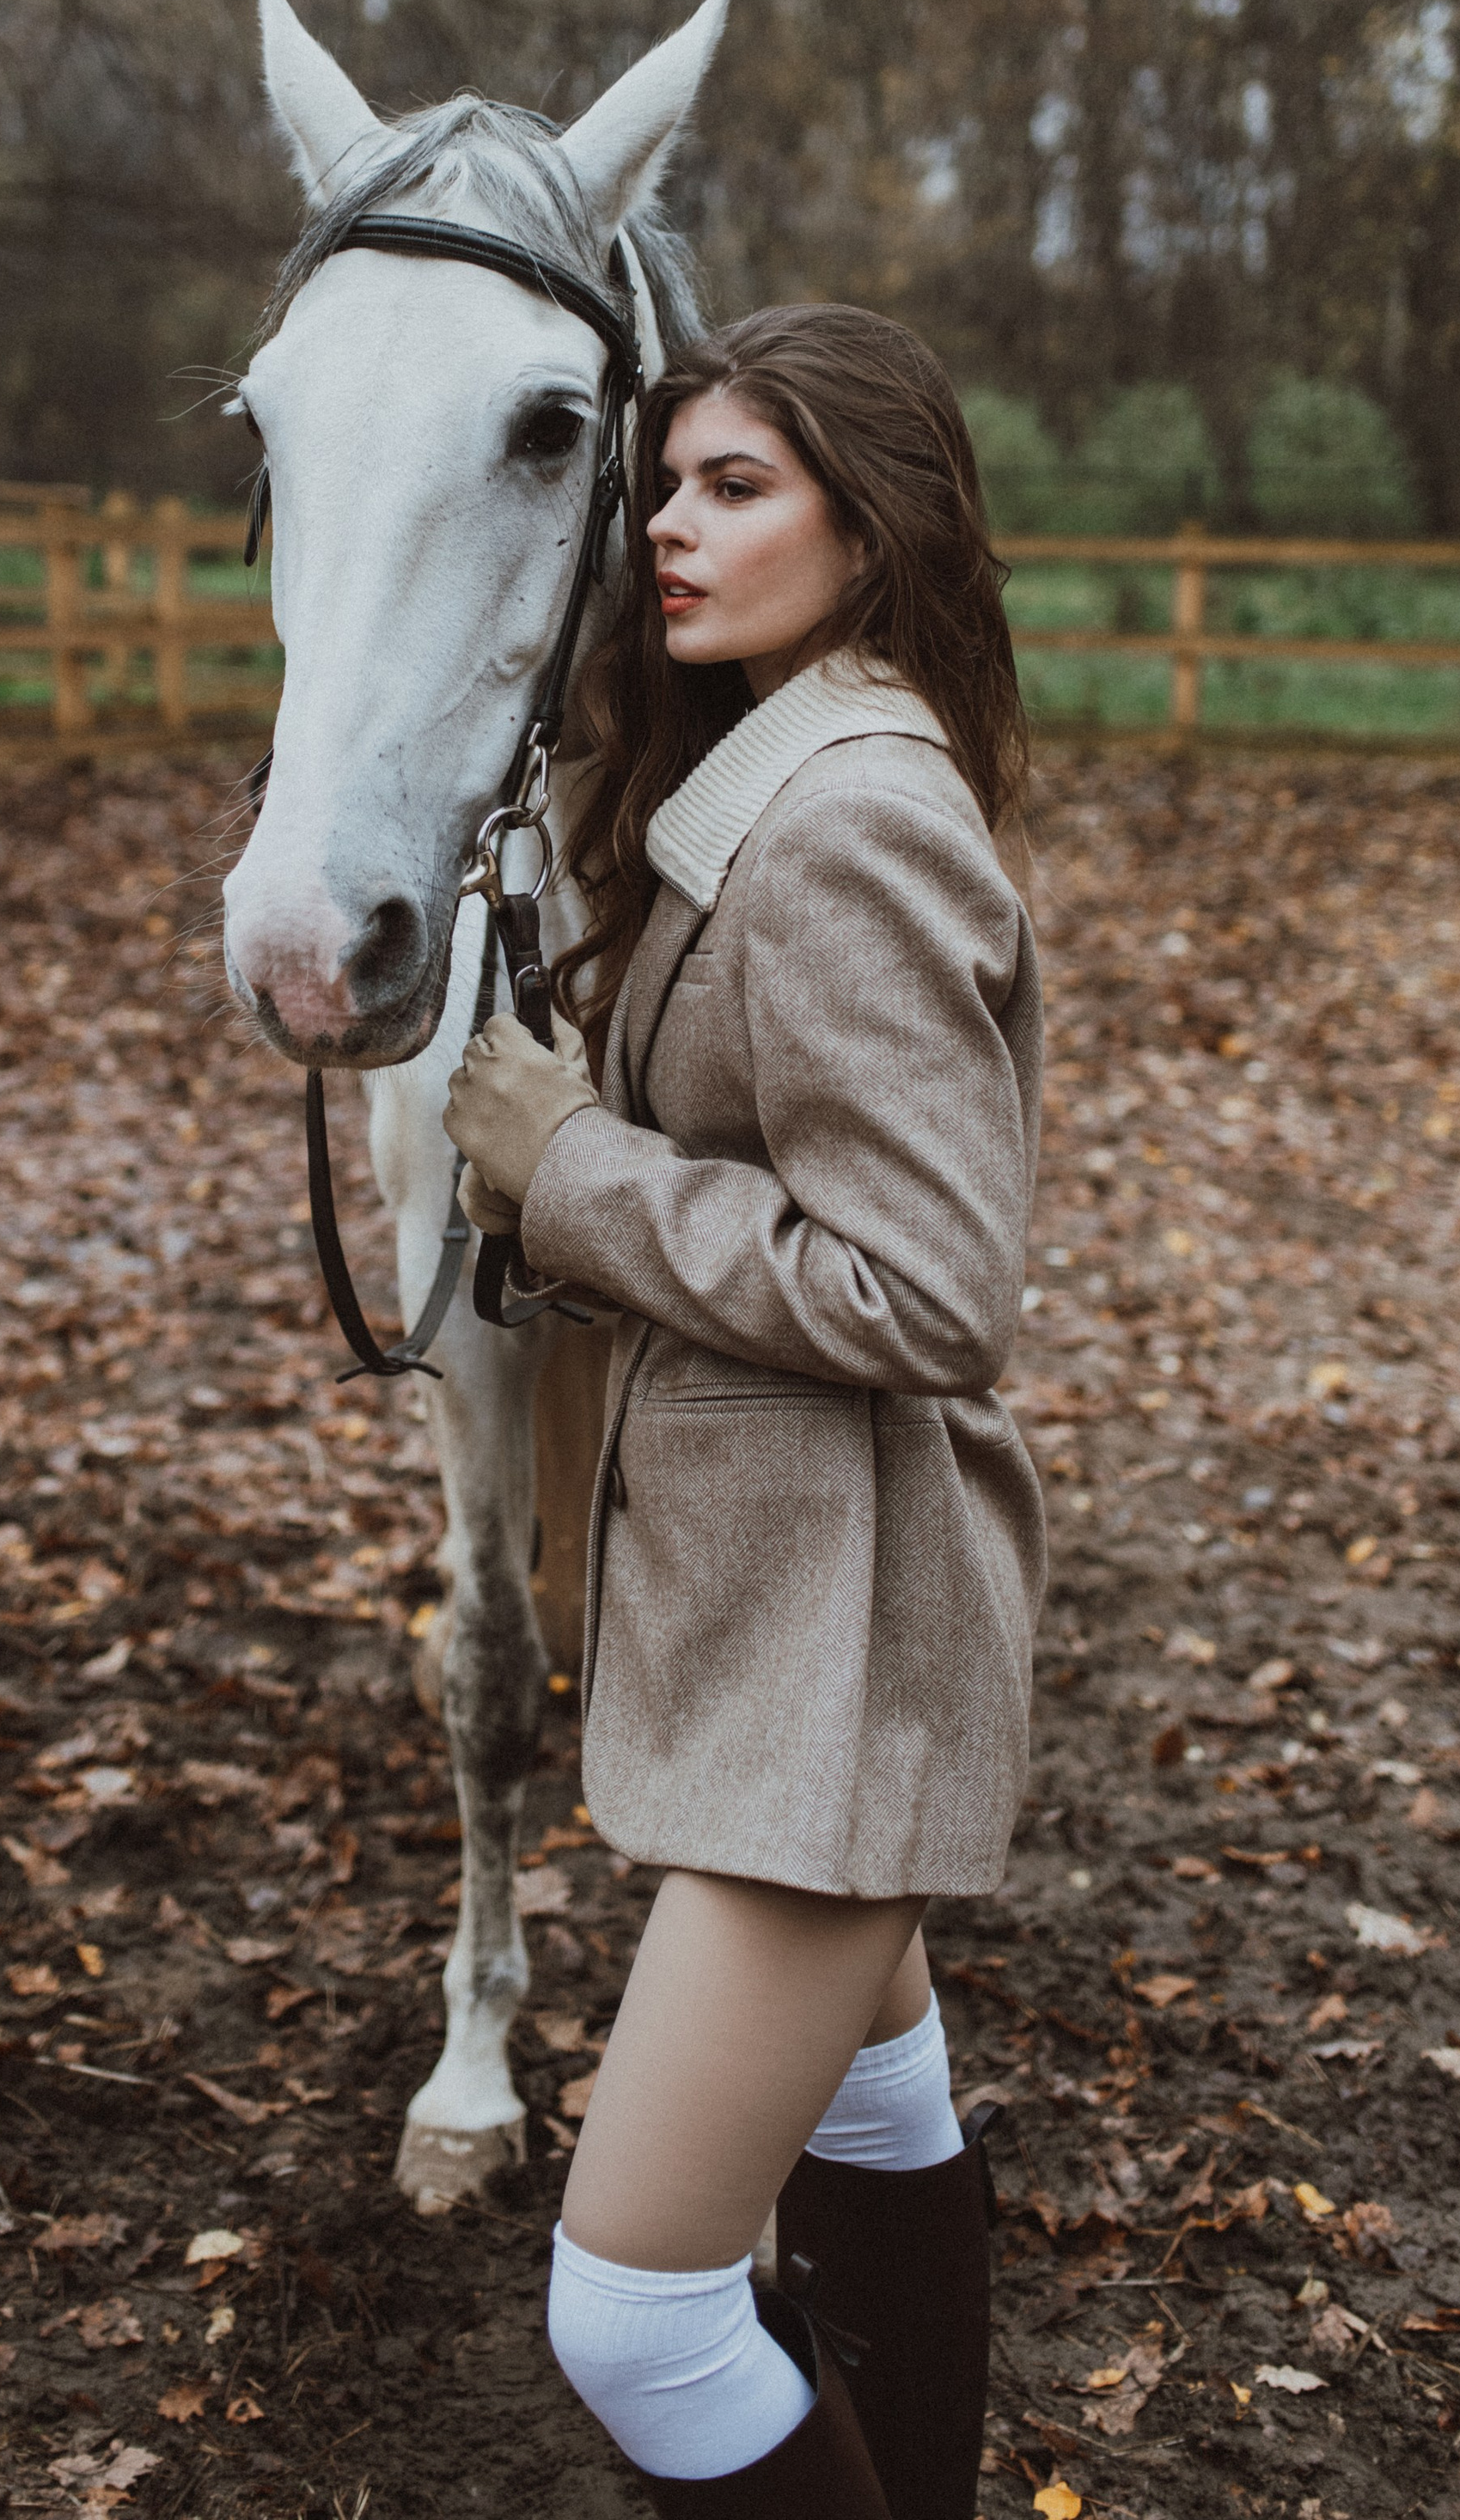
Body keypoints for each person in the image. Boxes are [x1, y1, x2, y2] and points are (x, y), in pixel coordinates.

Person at [442, 304, 1047, 2518]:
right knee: (884, 2116)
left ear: (870, 531)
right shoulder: (776, 775)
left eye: (738, 487)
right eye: (667, 484)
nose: (669, 531)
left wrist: (572, 1170)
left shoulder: (848, 828)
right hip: (789, 1598)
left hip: (840, 1643)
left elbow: (932, 1289)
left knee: (640, 2315)